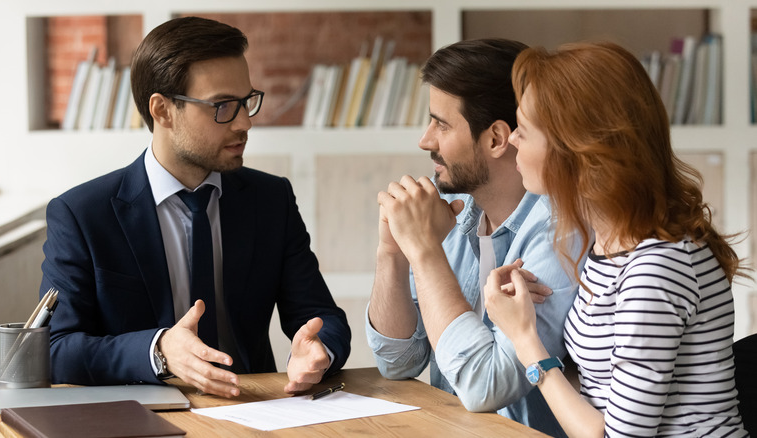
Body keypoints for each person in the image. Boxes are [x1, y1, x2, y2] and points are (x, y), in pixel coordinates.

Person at [39, 16, 351, 398]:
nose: (243, 124)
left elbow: (322, 316)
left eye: (246, 102)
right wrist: (158, 351)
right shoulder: (82, 214)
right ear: (162, 110)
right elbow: (56, 349)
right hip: (140, 417)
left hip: (255, 409)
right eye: (222, 106)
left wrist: (320, 351)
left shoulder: (271, 200)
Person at [485, 41, 748, 437]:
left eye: (524, 129)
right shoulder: (609, 247)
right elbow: (599, 392)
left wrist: (524, 337)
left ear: (578, 151)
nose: (513, 140)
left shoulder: (657, 267)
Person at [366, 39, 581, 436]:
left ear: (497, 138)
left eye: (441, 124)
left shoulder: (561, 233)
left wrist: (425, 252)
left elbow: (487, 386)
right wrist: (392, 253)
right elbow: (398, 361)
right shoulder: (454, 210)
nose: (425, 140)